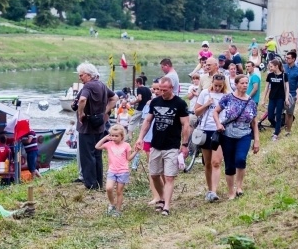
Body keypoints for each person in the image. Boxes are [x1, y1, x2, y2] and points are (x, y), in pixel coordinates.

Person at [136, 77, 190, 216]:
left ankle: (166, 205)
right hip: (156, 144)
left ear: (171, 88)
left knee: (169, 176)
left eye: (164, 90)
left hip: (172, 145)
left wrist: (184, 144)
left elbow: (185, 125)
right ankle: (161, 197)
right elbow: (147, 121)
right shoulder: (155, 101)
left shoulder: (179, 103)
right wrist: (140, 138)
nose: (161, 92)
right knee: (154, 174)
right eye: (160, 89)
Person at [213, 74, 260, 199]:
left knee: (240, 159)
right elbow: (215, 111)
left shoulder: (251, 102)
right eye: (242, 83)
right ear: (236, 84)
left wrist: (257, 140)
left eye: (246, 83)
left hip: (244, 134)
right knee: (229, 164)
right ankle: (230, 191)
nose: (245, 85)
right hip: (227, 134)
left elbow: (254, 123)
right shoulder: (228, 98)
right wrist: (218, 124)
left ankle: (239, 186)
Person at [77, 62, 117, 190]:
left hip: (87, 125)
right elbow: (115, 98)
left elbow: (82, 99)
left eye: (81, 75)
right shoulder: (102, 85)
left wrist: (81, 113)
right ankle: (99, 182)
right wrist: (104, 112)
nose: (80, 78)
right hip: (99, 125)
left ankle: (90, 184)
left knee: (87, 155)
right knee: (97, 154)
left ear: (88, 75)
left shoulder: (87, 86)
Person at [195, 74, 229, 202]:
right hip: (205, 130)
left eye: (220, 86)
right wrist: (207, 104)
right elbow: (196, 111)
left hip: (219, 130)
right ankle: (210, 189)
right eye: (216, 85)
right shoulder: (205, 93)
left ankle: (214, 191)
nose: (218, 88)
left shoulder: (226, 96)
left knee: (216, 162)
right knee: (208, 163)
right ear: (212, 83)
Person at [95, 124, 139, 216]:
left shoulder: (126, 145)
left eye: (116, 136)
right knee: (109, 188)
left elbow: (129, 158)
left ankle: (118, 210)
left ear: (122, 136)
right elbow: (97, 146)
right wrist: (106, 138)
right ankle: (112, 204)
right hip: (112, 171)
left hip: (123, 171)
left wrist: (136, 151)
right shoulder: (109, 144)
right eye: (112, 135)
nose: (114, 138)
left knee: (119, 191)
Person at [262, 58, 289, 139]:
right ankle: (278, 127)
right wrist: (263, 99)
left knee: (278, 115)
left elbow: (287, 87)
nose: (270, 68)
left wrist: (286, 98)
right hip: (272, 98)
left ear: (276, 66)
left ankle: (276, 133)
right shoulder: (270, 75)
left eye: (271, 66)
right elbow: (266, 87)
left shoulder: (284, 75)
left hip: (280, 98)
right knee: (270, 116)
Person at [283, 51, 298, 136]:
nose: (286, 59)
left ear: (293, 59)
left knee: (289, 113)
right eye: (286, 57)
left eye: (288, 58)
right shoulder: (283, 67)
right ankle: (282, 127)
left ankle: (288, 131)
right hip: (281, 93)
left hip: (292, 94)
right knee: (280, 112)